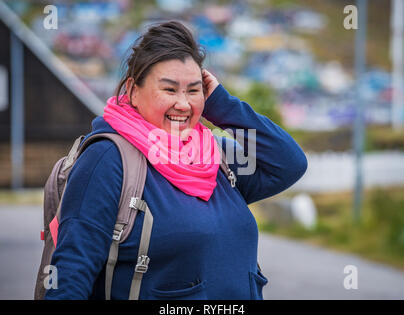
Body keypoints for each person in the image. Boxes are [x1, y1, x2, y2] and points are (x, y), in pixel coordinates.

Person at [44, 20, 307, 300]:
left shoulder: (212, 155)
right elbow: (72, 274)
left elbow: (288, 163)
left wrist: (220, 104)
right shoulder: (107, 158)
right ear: (133, 90)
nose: (183, 104)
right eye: (169, 90)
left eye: (193, 91)